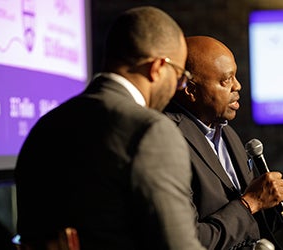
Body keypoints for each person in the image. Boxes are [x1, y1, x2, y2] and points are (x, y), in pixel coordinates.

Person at [14, 6, 206, 250]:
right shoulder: (151, 130)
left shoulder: (45, 126)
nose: (178, 87)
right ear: (157, 67)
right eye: (180, 76)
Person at [163, 35, 283, 250]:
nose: (237, 86)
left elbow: (253, 227)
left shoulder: (227, 134)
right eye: (226, 80)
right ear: (191, 91)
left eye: (235, 76)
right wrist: (250, 203)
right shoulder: (166, 139)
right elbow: (188, 241)